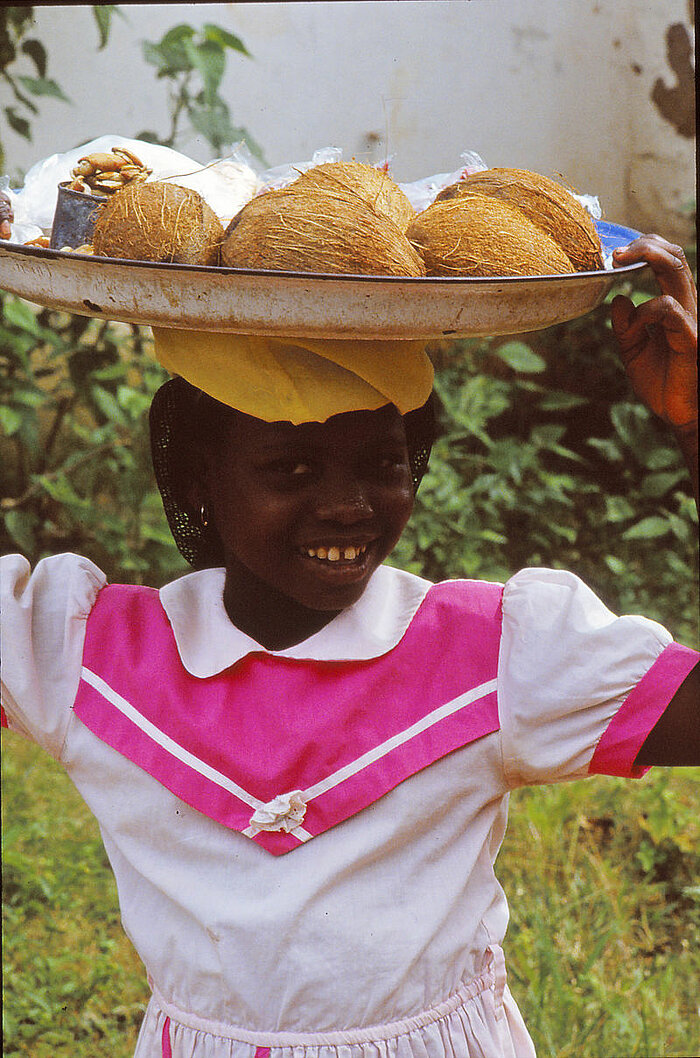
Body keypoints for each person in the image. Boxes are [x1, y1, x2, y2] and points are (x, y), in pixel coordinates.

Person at [1, 231, 698, 1058]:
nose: (347, 505)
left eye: (382, 462)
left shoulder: (494, 655)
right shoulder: (82, 655)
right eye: (290, 469)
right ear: (198, 478)